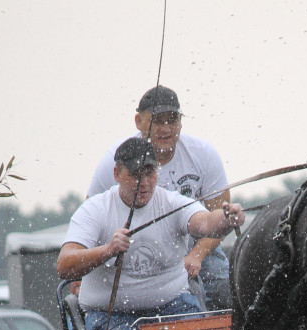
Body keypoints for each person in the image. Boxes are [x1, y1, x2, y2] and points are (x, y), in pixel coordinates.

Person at [59, 137, 245, 330]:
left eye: (150, 172)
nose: (143, 182)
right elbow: (65, 264)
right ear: (117, 174)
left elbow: (205, 222)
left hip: (173, 303)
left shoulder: (173, 203)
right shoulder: (94, 210)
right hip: (111, 315)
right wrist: (108, 250)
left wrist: (226, 218)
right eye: (135, 174)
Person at [88, 85, 233, 310]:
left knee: (228, 292)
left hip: (198, 245)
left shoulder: (204, 154)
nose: (166, 128)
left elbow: (219, 219)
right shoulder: (115, 161)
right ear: (139, 121)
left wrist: (196, 255)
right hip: (139, 249)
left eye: (172, 120)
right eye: (158, 121)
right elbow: (89, 217)